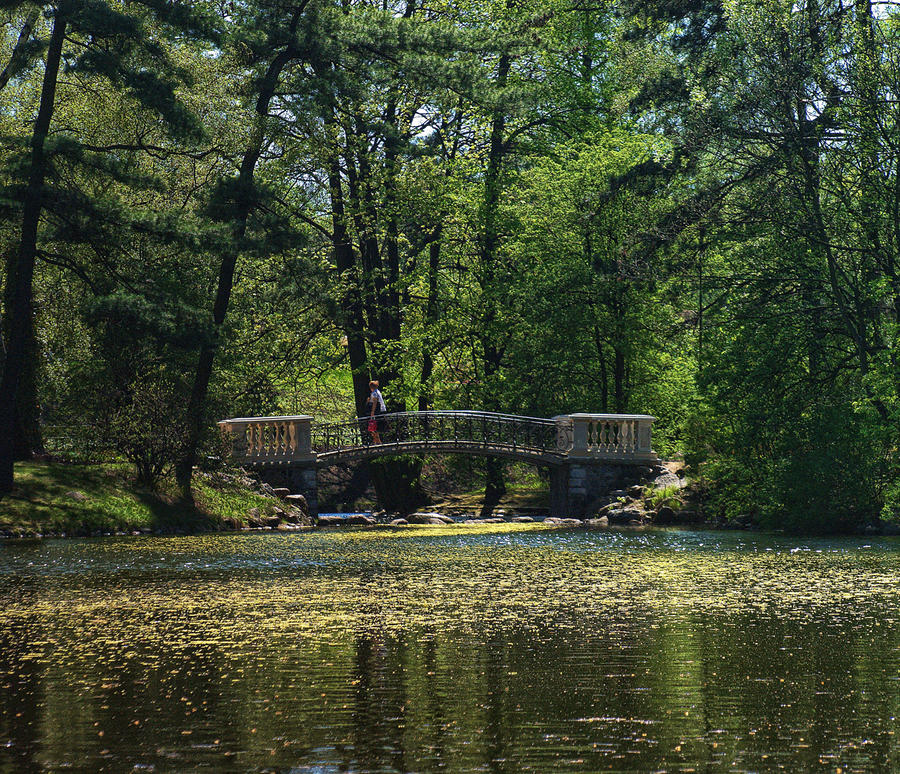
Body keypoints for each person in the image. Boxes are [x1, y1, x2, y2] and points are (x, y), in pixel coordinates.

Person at [366, 380, 386, 444]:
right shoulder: (378, 392)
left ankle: (378, 442)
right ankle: (376, 441)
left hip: (378, 411)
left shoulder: (374, 393)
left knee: (373, 427)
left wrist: (372, 412)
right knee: (374, 427)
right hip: (381, 410)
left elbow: (375, 402)